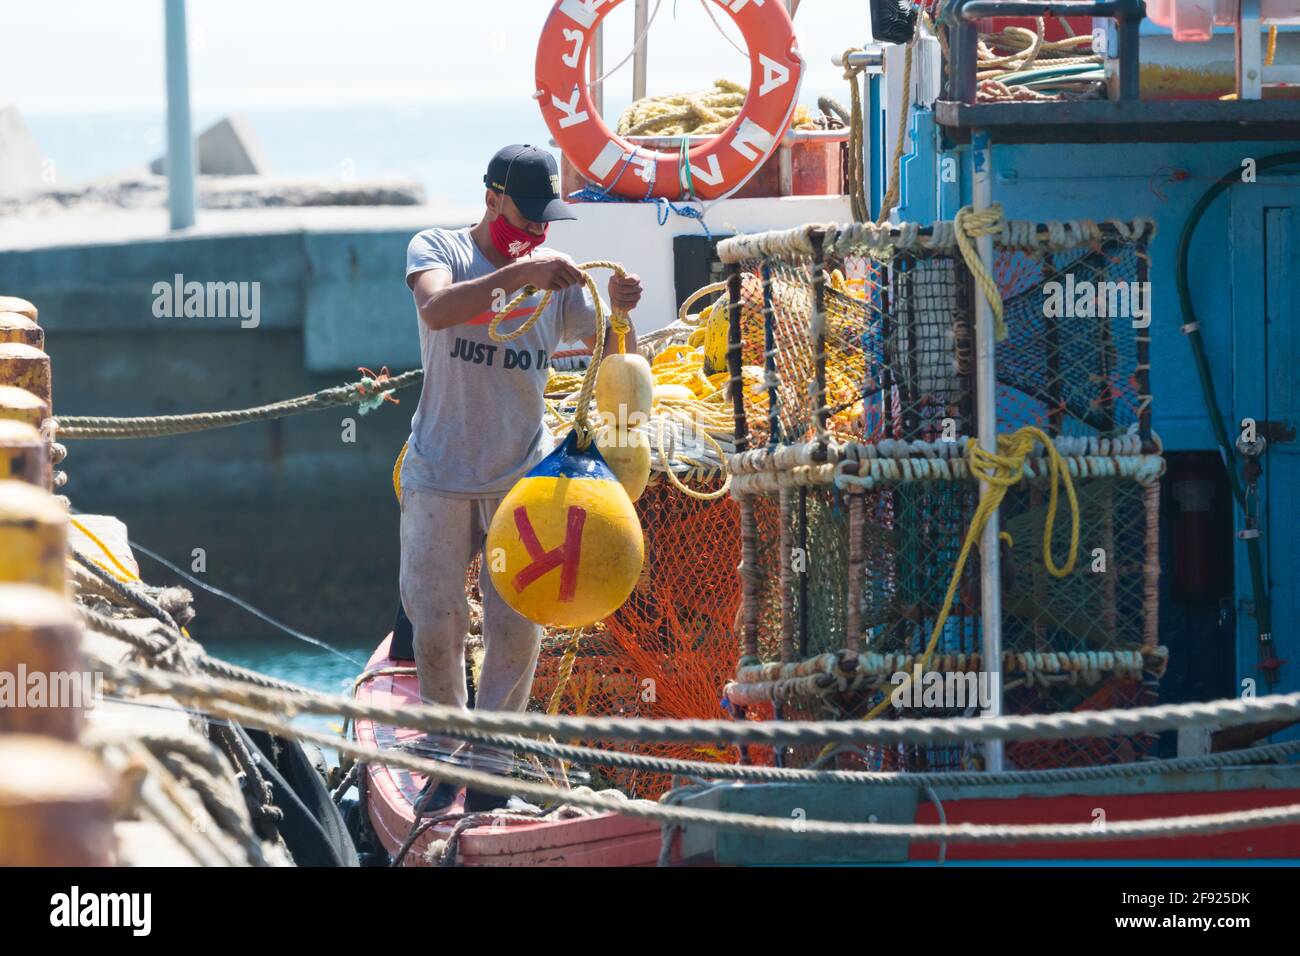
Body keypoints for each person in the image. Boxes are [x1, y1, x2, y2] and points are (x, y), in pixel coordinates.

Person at [399, 144, 642, 813]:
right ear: (491, 198)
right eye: (527, 217)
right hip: (438, 474)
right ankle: (445, 758)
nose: (536, 233)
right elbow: (437, 310)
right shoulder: (439, 248)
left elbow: (617, 354)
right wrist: (524, 274)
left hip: (520, 480)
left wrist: (621, 311)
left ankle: (491, 771)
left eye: (545, 223)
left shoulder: (557, 284)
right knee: (435, 623)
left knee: (514, 628)